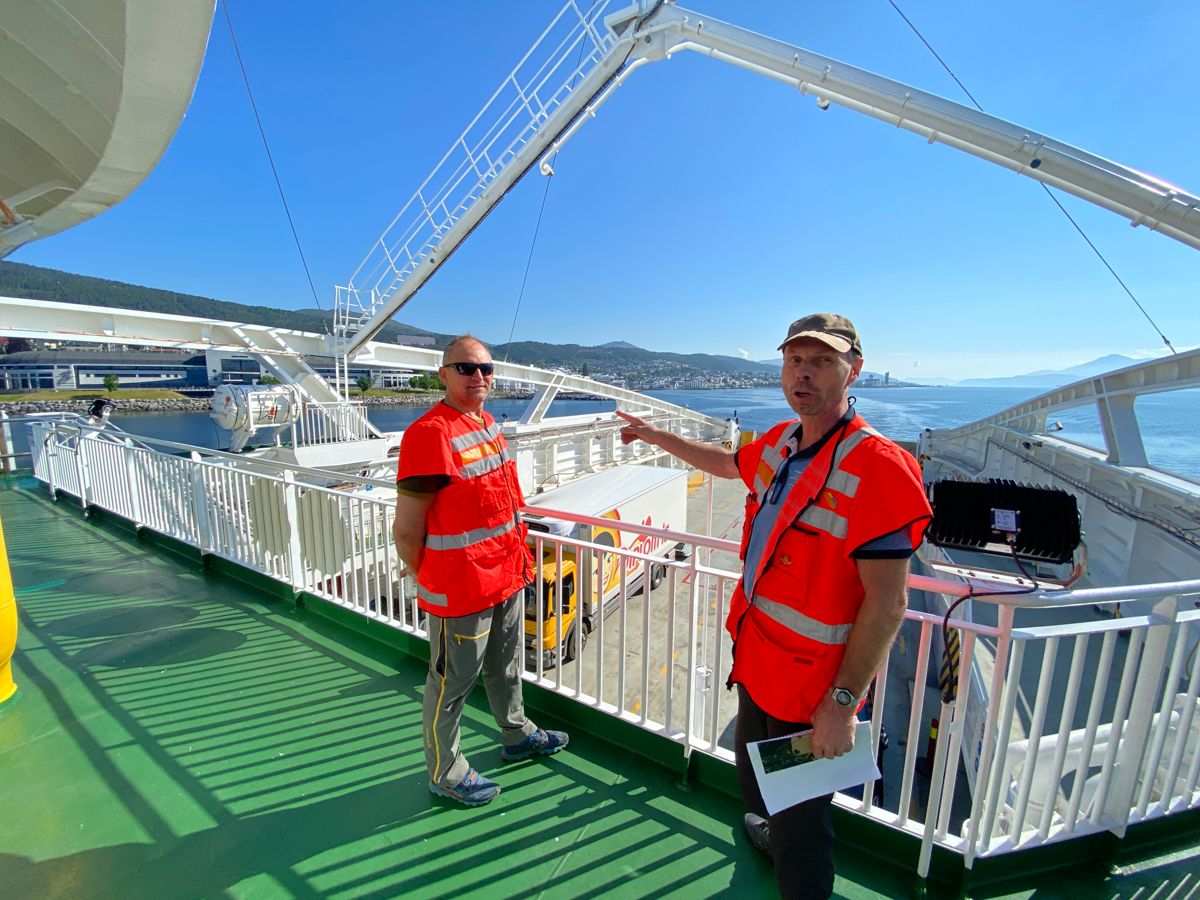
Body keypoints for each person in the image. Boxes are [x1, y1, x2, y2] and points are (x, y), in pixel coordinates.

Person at [616, 313, 931, 898]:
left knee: (804, 828)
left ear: (852, 370)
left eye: (821, 362)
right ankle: (769, 833)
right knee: (758, 788)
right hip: (759, 666)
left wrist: (841, 705)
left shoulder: (880, 469)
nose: (803, 374)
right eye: (794, 361)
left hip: (812, 690)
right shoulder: (782, 444)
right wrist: (657, 437)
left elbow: (889, 606)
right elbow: (725, 463)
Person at [393, 335, 568, 807]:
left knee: (506, 666)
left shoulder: (488, 423)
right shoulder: (430, 435)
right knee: (451, 685)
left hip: (506, 575)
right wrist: (430, 580)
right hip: (461, 590)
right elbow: (407, 530)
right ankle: (445, 772)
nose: (479, 377)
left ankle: (516, 734)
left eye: (487, 369)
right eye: (467, 368)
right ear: (443, 373)